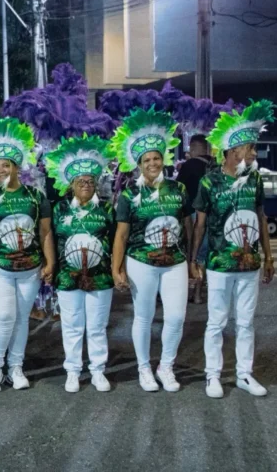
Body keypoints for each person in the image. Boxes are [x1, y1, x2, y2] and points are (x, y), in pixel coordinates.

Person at [191, 100, 276, 399]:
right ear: (232, 151)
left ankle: (244, 374)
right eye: (249, 148)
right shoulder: (209, 182)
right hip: (219, 264)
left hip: (250, 265)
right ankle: (212, 375)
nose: (254, 153)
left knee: (246, 322)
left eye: (253, 148)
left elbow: (261, 218)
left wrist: (269, 257)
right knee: (217, 322)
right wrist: (194, 259)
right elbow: (200, 225)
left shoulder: (254, 179)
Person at [0, 117, 54, 393]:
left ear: (17, 167)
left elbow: (45, 232)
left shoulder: (35, 196)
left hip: (30, 269)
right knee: (3, 317)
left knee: (21, 318)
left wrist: (50, 261)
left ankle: (16, 368)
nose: (1, 170)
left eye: (6, 165)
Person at [110, 107, 194, 393]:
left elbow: (188, 226)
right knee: (143, 317)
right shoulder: (129, 194)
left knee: (176, 317)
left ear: (163, 159)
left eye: (157, 158)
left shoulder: (178, 189)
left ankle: (166, 367)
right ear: (139, 164)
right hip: (141, 261)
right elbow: (121, 235)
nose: (153, 163)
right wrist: (116, 269)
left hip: (175, 261)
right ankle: (144, 367)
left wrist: (193, 260)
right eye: (147, 159)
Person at [44, 133, 115, 393]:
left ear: (96, 184)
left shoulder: (107, 209)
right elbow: (49, 237)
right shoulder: (59, 209)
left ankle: (98, 370)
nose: (86, 184)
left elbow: (116, 240)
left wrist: (118, 270)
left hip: (101, 277)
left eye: (90, 181)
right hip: (67, 276)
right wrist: (49, 265)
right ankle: (73, 371)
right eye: (80, 181)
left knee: (97, 326)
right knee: (72, 325)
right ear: (71, 185)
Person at [177, 134, 213, 304]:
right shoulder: (215, 166)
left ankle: (187, 291)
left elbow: (177, 189)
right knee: (203, 256)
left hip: (192, 216)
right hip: (212, 216)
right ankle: (199, 293)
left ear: (192, 148)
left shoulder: (188, 165)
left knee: (192, 252)